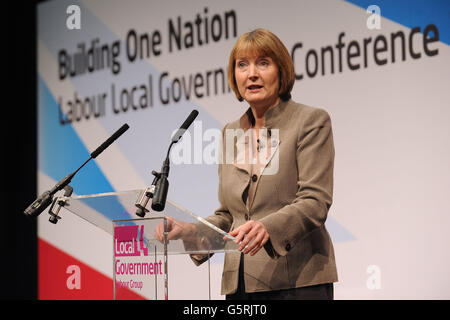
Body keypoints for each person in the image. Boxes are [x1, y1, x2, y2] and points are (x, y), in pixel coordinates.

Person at [155, 28, 337, 300]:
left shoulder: (309, 122)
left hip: (298, 283)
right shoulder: (231, 133)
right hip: (240, 286)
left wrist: (268, 227)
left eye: (263, 63)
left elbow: (315, 201)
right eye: (242, 65)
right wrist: (191, 231)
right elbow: (230, 216)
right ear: (234, 76)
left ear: (281, 71)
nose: (252, 73)